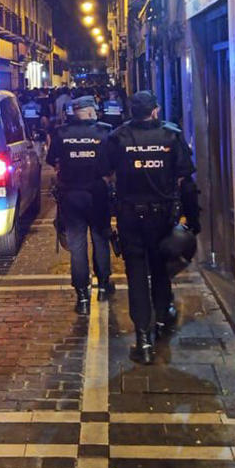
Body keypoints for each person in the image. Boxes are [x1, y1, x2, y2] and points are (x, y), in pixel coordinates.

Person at [107, 91, 197, 364]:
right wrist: (192, 221)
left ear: (131, 112)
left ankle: (143, 340)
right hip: (162, 216)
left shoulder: (118, 137)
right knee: (159, 269)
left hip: (130, 217)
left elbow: (105, 173)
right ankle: (160, 320)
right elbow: (186, 180)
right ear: (155, 110)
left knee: (136, 275)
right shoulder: (171, 135)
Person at [47, 95, 115, 315]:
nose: (96, 113)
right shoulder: (104, 132)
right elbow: (112, 164)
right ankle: (104, 285)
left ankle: (82, 296)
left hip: (71, 195)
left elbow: (53, 161)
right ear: (86, 111)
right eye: (93, 110)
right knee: (100, 239)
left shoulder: (61, 133)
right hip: (97, 193)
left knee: (77, 247)